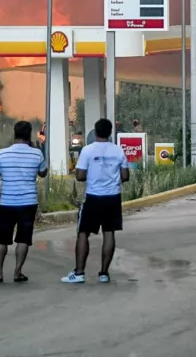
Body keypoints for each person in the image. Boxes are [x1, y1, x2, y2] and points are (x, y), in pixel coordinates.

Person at [62, 118, 129, 284]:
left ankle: (79, 273)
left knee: (83, 233)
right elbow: (126, 176)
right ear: (110, 132)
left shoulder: (87, 150)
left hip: (93, 197)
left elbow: (79, 176)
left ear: (95, 132)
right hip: (113, 197)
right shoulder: (118, 151)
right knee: (109, 233)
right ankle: (104, 273)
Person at [0, 120, 48, 284]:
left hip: (7, 202)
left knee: (2, 238)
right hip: (28, 202)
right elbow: (43, 173)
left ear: (14, 133)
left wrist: (0, 199)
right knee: (24, 239)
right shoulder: (36, 154)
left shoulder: (2, 154)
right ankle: (18, 272)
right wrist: (39, 149)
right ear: (29, 135)